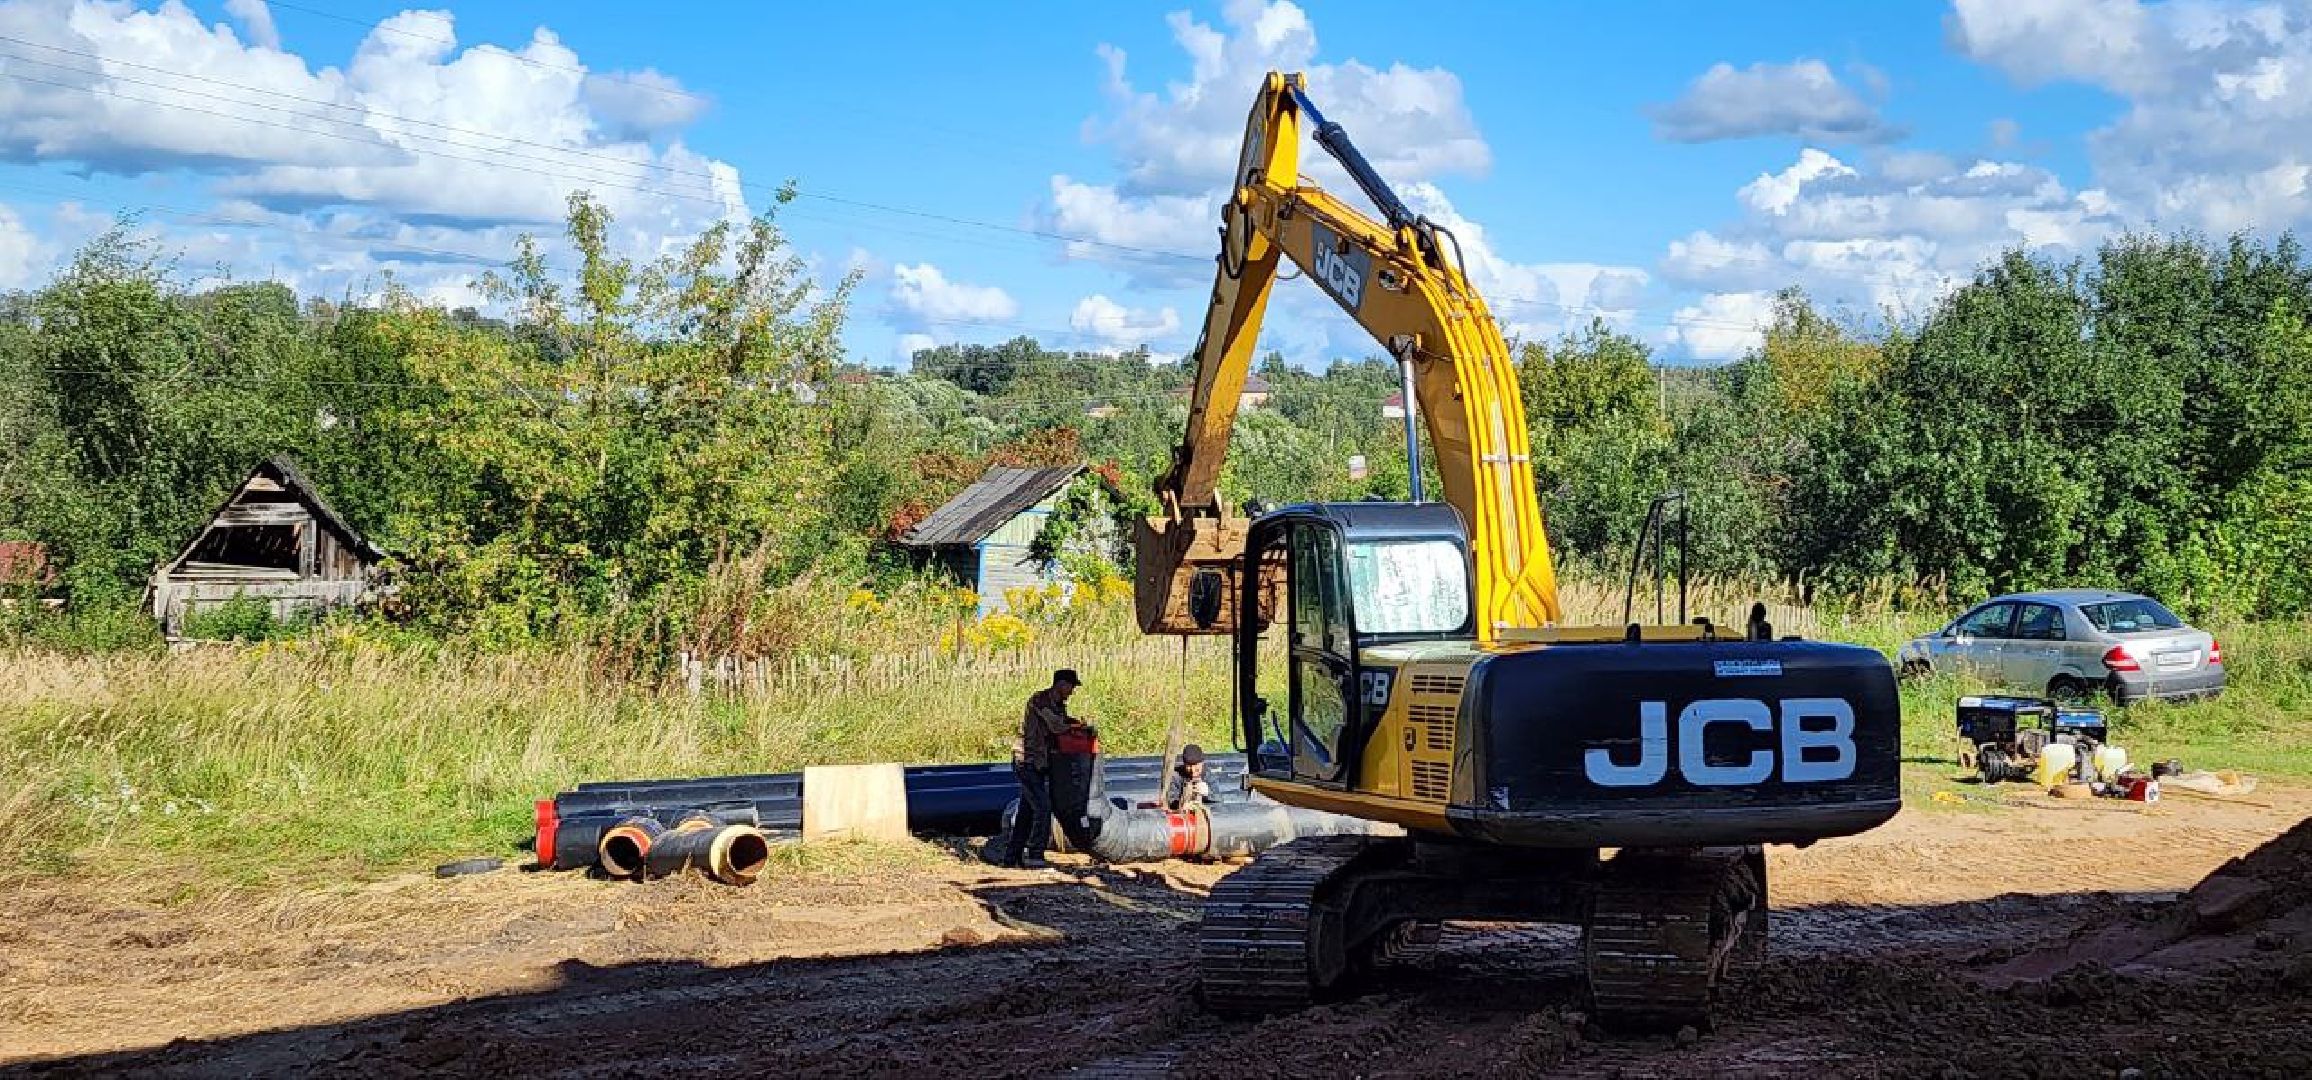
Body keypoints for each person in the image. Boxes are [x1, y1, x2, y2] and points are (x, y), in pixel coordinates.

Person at [1000, 669, 1084, 869]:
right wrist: (1076, 727)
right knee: (1043, 808)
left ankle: (1012, 857)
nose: (1072, 692)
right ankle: (1035, 854)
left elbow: (1062, 724)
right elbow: (1056, 726)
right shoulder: (1040, 701)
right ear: (1061, 684)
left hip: (1039, 764)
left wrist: (1075, 724)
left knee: (1026, 813)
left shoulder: (1058, 706)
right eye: (1071, 687)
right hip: (1027, 761)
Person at [1169, 743, 1213, 811]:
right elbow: (1171, 800)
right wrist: (1181, 804)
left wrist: (1208, 793)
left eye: (1196, 765)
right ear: (1184, 764)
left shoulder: (1207, 774)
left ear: (1202, 763)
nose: (1193, 770)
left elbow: (1219, 800)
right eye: (1189, 766)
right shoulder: (1176, 775)